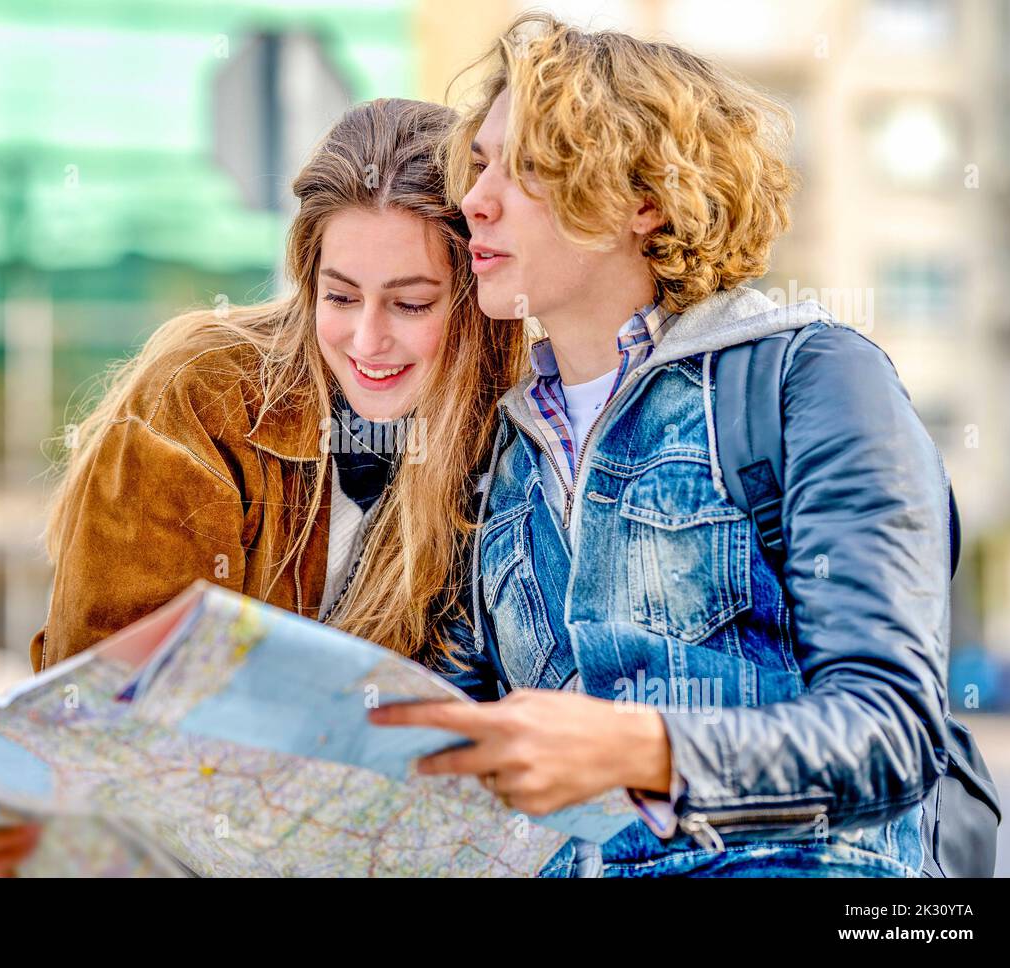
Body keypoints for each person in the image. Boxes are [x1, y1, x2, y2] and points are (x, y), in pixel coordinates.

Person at [373, 13, 953, 878]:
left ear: (644, 201)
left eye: (525, 167)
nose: (476, 201)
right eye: (482, 164)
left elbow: (892, 735)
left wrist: (646, 749)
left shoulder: (809, 380)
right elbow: (451, 741)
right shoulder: (503, 455)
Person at [0, 97, 528, 876]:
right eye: (340, 296)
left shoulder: (514, 430)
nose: (368, 339)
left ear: (473, 299)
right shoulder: (203, 395)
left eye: (410, 303)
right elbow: (108, 702)